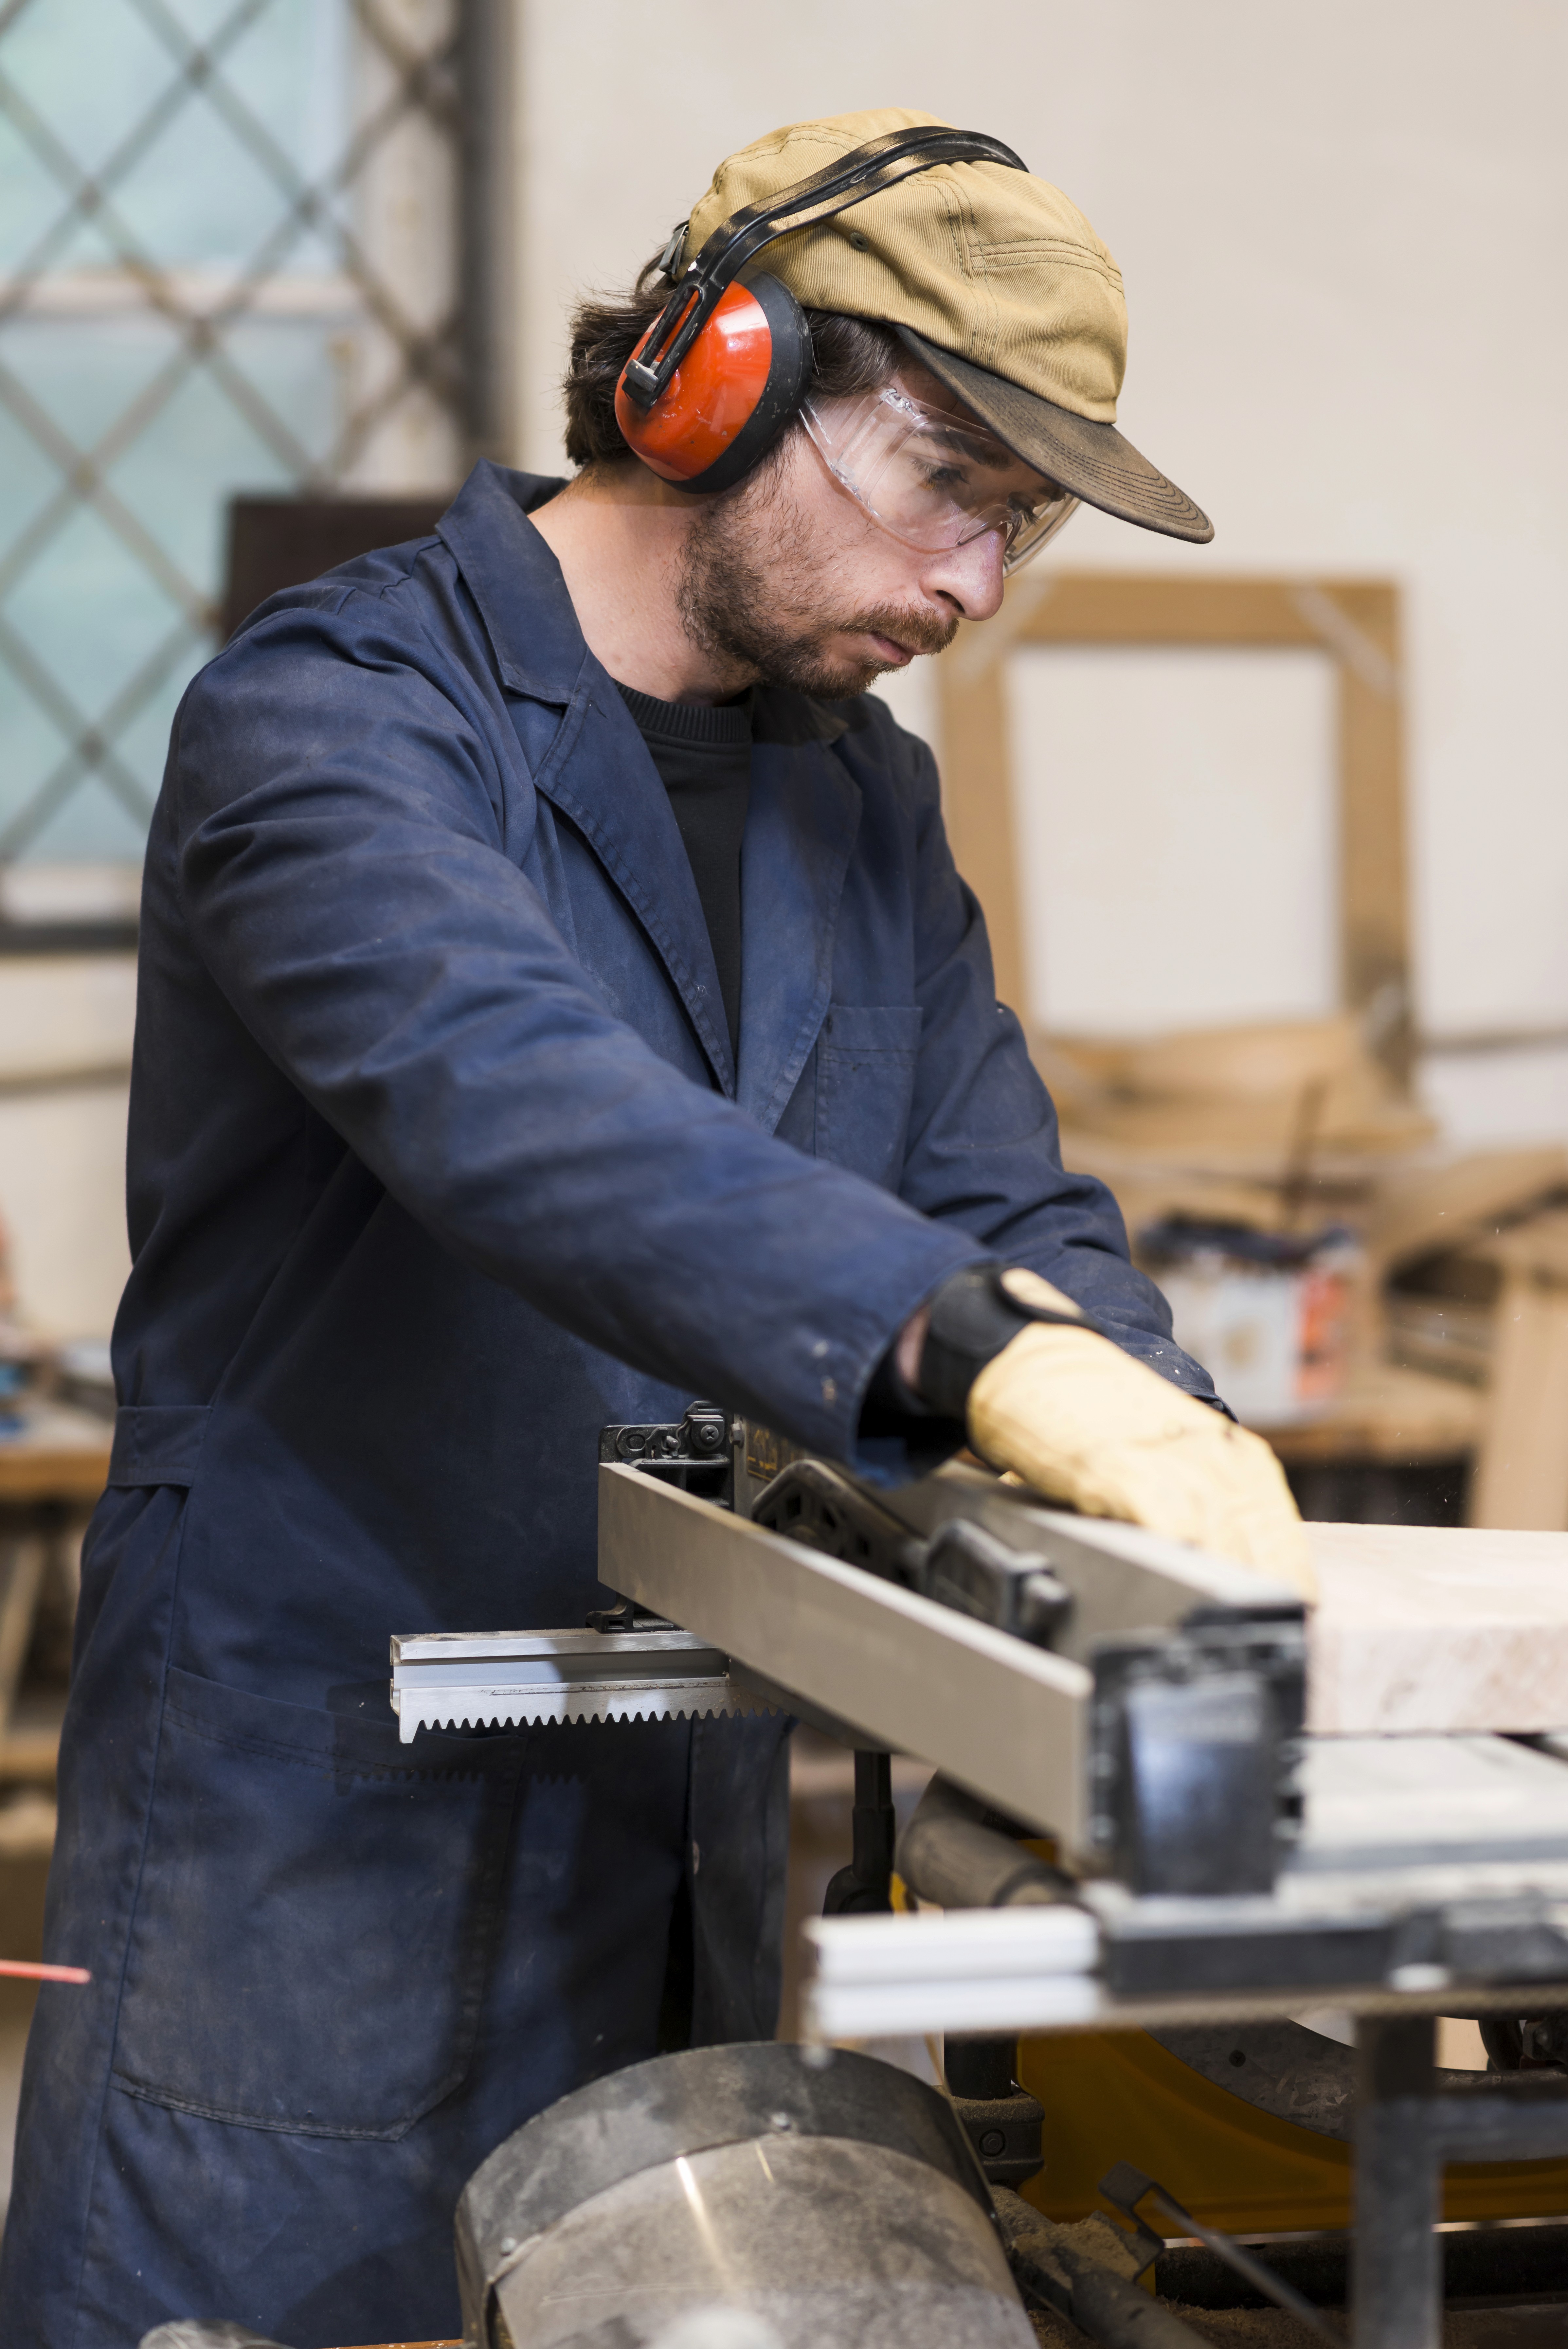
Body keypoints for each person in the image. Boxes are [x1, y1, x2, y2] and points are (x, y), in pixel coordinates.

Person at [0, 108, 1306, 2349]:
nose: (974, 589)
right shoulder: (334, 718)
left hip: (675, 1799)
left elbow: (990, 1185)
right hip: (323, 1797)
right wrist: (974, 1353)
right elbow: (522, 1108)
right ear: (714, 379)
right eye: (951, 490)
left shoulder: (854, 787)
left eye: (1023, 531)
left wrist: (1173, 1463)